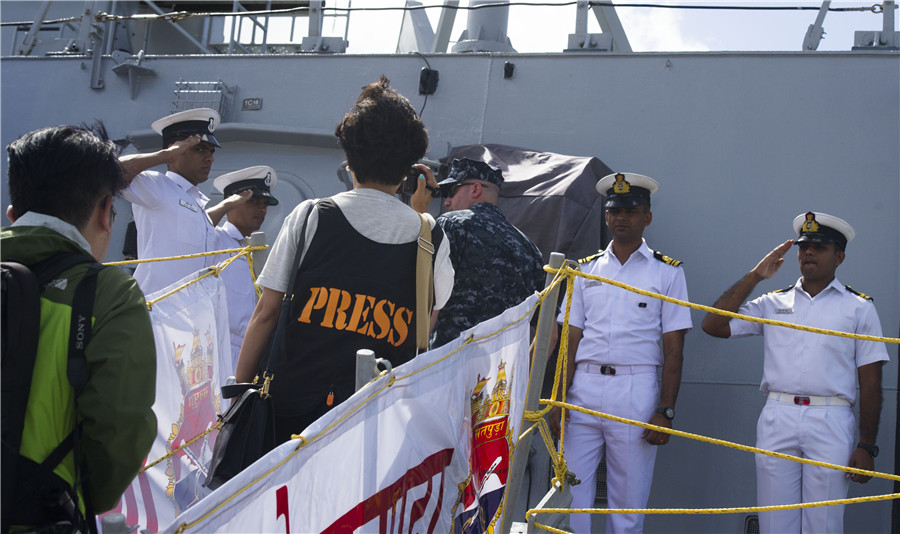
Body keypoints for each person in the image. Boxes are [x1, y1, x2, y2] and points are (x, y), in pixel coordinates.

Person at [234, 76, 454, 443]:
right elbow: (427, 320)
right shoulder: (430, 236)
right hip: (377, 426)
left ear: (348, 157)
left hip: (290, 422)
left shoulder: (310, 216)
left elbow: (266, 314)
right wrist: (419, 217)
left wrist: (237, 399)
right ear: (409, 167)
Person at [2, 126, 157, 529]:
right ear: (106, 211)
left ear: (13, 216)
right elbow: (119, 425)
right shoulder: (110, 294)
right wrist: (80, 497)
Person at [700, 211, 889, 534]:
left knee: (823, 523)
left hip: (830, 418)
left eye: (820, 247)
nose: (809, 253)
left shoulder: (859, 307)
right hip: (779, 414)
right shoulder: (774, 302)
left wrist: (867, 444)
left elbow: (871, 381)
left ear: (839, 257)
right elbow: (713, 324)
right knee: (775, 521)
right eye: (804, 247)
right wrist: (755, 276)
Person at [549, 172, 692, 534]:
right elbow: (570, 339)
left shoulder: (667, 273)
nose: (621, 218)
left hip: (635, 390)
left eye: (631, 211)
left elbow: (674, 349)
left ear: (647, 217)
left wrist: (666, 410)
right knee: (568, 497)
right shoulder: (585, 270)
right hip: (583, 389)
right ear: (606, 216)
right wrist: (558, 398)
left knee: (627, 505)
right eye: (615, 211)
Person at [417, 157, 545, 348]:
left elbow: (428, 297)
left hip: (449, 360)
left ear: (475, 189)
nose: (447, 202)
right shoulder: (529, 248)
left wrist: (412, 357)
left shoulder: (452, 224)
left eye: (451, 192)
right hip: (501, 366)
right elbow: (549, 333)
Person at [119, 108, 234, 295]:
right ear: (176, 150)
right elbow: (113, 169)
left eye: (211, 152)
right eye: (199, 149)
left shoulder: (197, 203)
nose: (210, 158)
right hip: (157, 307)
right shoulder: (158, 187)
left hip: (191, 308)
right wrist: (164, 155)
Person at [211, 165, 279, 372]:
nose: (262, 209)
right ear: (232, 202)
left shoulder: (255, 250)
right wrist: (225, 205)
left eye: (265, 204)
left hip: (250, 354)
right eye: (254, 202)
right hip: (219, 354)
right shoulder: (214, 239)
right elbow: (195, 227)